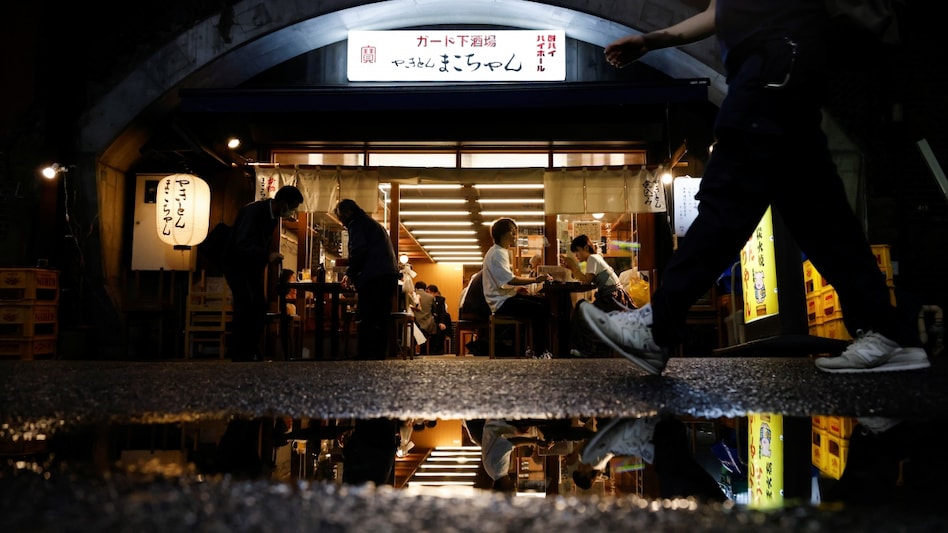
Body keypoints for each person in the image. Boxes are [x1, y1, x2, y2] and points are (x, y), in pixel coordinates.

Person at [580, 0, 930, 374]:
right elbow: (719, 11)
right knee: (822, 220)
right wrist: (651, 40)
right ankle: (886, 330)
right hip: (779, 76)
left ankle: (656, 326)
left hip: (770, 76)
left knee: (726, 206)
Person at [223, 185, 303, 362]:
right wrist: (267, 255)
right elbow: (242, 244)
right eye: (292, 207)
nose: (292, 211)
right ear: (282, 203)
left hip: (251, 268)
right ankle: (240, 354)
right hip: (237, 266)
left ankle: (248, 351)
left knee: (258, 308)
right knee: (245, 308)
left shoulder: (272, 216)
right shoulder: (254, 212)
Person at [335, 198, 399, 360]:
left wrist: (350, 273)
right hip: (388, 274)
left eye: (341, 218)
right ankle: (379, 354)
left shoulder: (357, 224)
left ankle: (365, 354)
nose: (342, 222)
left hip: (373, 276)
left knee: (367, 315)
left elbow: (358, 250)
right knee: (381, 317)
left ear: (348, 213)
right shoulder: (372, 224)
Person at [482, 218, 554, 358]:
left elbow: (504, 281)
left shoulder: (499, 251)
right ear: (503, 234)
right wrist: (535, 279)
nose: (515, 236)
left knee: (543, 303)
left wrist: (517, 288)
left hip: (504, 297)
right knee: (540, 308)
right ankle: (540, 352)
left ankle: (534, 348)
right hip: (501, 302)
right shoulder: (497, 253)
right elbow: (510, 279)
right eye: (513, 232)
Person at [561, 234, 633, 357]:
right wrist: (573, 268)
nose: (576, 255)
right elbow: (586, 279)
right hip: (615, 298)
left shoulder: (592, 258)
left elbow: (586, 280)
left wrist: (573, 266)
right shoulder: (596, 258)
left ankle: (586, 350)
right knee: (581, 309)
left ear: (585, 247)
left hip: (612, 299)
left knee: (581, 310)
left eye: (577, 251)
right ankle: (586, 349)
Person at [426, 284, 452, 355]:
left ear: (435, 293)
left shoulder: (440, 300)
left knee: (441, 328)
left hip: (438, 321)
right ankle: (430, 349)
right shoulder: (426, 299)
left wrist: (441, 322)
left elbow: (442, 313)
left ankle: (438, 349)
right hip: (429, 321)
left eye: (429, 292)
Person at [412, 280, 437, 353]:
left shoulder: (412, 295)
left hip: (414, 322)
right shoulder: (431, 297)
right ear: (425, 288)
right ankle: (427, 350)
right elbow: (434, 310)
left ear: (415, 288)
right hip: (426, 324)